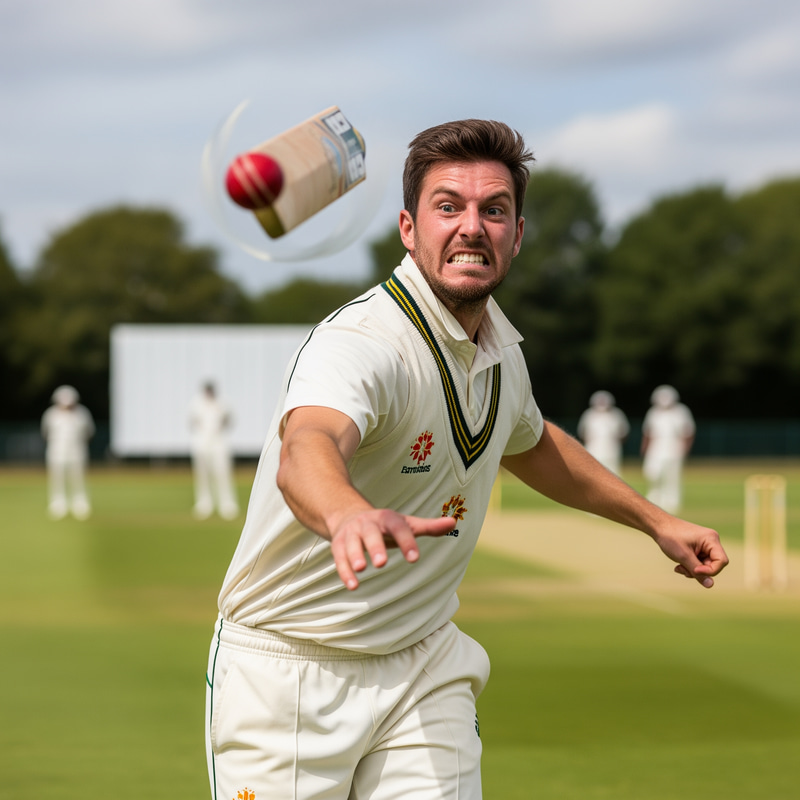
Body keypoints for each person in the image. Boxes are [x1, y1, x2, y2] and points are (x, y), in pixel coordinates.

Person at [205, 119, 728, 800]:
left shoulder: (500, 350)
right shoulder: (364, 341)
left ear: (517, 234)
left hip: (424, 662)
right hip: (294, 670)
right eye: (448, 206)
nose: (472, 226)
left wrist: (658, 521)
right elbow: (309, 445)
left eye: (495, 210)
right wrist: (347, 515)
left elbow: (535, 443)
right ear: (408, 228)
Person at [40, 385, 95, 520]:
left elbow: (89, 432)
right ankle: (58, 504)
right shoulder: (50, 414)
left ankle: (80, 504)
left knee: (78, 478)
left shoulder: (82, 413)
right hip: (56, 452)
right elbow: (45, 433)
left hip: (78, 451)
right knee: (57, 478)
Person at [641, 384, 696, 513]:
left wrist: (685, 449)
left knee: (672, 477)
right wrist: (644, 448)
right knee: (652, 473)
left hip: (674, 449)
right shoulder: (653, 412)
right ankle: (655, 497)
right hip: (656, 449)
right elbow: (648, 432)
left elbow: (688, 432)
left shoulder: (681, 412)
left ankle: (672, 502)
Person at [189, 381, 239, 520]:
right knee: (202, 475)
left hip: (219, 443)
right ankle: (204, 504)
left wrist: (220, 430)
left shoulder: (223, 403)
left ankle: (227, 505)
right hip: (201, 443)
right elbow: (192, 421)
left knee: (222, 473)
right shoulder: (196, 403)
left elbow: (229, 420)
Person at [577, 390, 630, 476]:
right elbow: (582, 434)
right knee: (592, 473)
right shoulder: (589, 414)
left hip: (612, 450)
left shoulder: (617, 414)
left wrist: (615, 444)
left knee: (613, 474)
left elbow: (624, 433)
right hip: (593, 449)